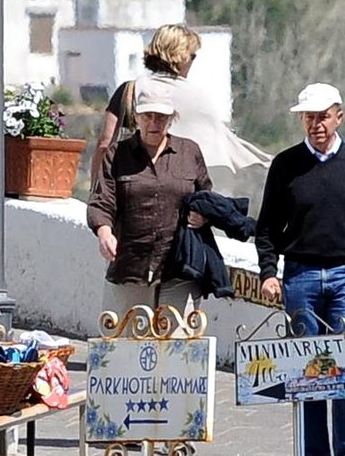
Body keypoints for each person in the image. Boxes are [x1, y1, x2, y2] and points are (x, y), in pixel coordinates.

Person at [255, 83, 345, 456]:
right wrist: (268, 272)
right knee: (308, 373)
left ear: (339, 117)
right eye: (309, 117)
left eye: (322, 116)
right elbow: (267, 229)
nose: (316, 124)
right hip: (299, 275)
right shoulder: (285, 166)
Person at [86, 84, 212, 318]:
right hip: (131, 266)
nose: (154, 123)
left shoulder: (189, 152)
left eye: (161, 117)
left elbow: (206, 195)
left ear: (172, 118)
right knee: (129, 344)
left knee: (177, 347)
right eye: (148, 116)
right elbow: (102, 199)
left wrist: (203, 214)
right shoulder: (117, 154)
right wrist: (104, 232)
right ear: (137, 117)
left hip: (179, 266)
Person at [91, 24, 268, 186]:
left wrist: (96, 191)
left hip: (135, 188)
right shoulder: (198, 99)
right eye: (192, 56)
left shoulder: (130, 90)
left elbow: (105, 144)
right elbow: (220, 150)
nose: (192, 62)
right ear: (182, 57)